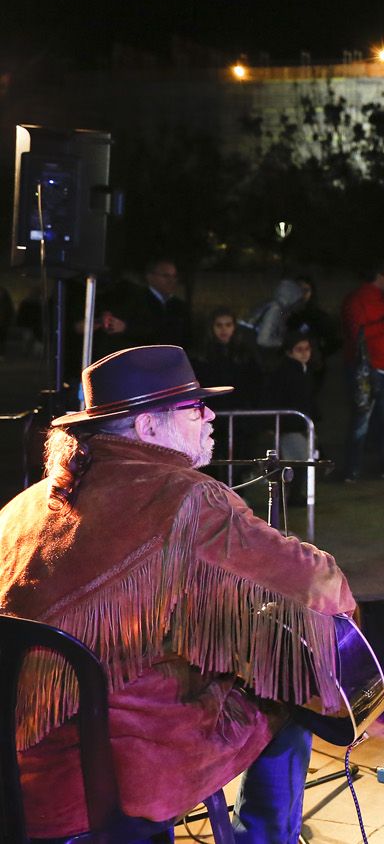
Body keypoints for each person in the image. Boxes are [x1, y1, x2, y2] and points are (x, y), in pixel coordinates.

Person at [0, 345, 353, 842]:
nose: (210, 416)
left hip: (16, 769)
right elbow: (319, 584)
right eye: (193, 407)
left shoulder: (32, 500)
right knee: (287, 689)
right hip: (97, 776)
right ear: (147, 427)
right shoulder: (184, 496)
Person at [337, 260, 384, 481]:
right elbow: (357, 333)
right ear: (378, 276)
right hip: (366, 370)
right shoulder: (357, 300)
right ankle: (351, 469)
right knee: (362, 419)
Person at [260, 334, 320, 464]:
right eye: (299, 349)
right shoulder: (287, 372)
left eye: (307, 349)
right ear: (289, 352)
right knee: (297, 464)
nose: (304, 353)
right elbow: (275, 398)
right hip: (290, 427)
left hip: (298, 425)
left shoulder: (304, 371)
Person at [192, 307, 261, 412]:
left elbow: (254, 386)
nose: (224, 329)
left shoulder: (245, 354)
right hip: (211, 411)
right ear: (212, 327)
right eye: (219, 325)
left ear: (234, 327)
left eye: (228, 325)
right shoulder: (201, 355)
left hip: (240, 411)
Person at [246, 278, 308, 370]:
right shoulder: (276, 309)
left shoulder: (278, 309)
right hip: (258, 356)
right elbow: (263, 340)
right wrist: (283, 342)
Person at [130, 258, 192, 348]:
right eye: (166, 276)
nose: (172, 280)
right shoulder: (136, 301)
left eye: (174, 276)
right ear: (150, 277)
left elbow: (187, 339)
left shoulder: (180, 306)